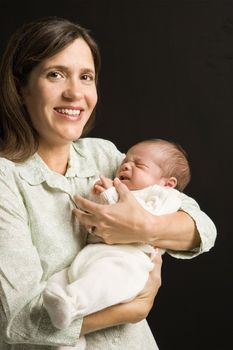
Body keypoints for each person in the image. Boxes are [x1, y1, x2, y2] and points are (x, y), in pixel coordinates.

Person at [0, 16, 216, 350]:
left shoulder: (103, 156)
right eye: (55, 74)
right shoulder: (6, 178)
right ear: (20, 87)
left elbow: (201, 227)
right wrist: (132, 309)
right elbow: (16, 323)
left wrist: (143, 226)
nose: (75, 92)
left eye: (86, 77)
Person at [43, 138, 194, 335]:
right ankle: (62, 323)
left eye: (138, 165)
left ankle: (71, 305)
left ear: (167, 183)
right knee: (59, 280)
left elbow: (144, 217)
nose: (126, 166)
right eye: (125, 162)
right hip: (91, 255)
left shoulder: (164, 197)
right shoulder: (119, 186)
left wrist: (110, 195)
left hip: (126, 262)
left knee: (100, 282)